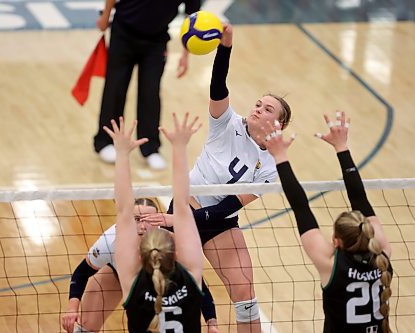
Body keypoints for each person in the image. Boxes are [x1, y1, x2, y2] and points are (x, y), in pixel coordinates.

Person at [141, 23, 292, 333]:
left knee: (245, 292)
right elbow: (218, 85)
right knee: (177, 291)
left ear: (278, 124)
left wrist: (179, 222)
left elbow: (226, 208)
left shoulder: (271, 164)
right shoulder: (227, 123)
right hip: (186, 206)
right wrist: (225, 47)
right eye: (258, 104)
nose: (258, 108)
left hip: (217, 220)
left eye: (267, 109)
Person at [263, 111, 393, 333]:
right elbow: (359, 199)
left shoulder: (331, 266)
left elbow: (300, 206)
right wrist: (342, 147)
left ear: (336, 241)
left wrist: (279, 156)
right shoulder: (383, 256)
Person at [103, 113, 204, 331]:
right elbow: (183, 208)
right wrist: (179, 147)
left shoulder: (133, 283)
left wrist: (122, 153)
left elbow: (123, 211)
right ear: (176, 254)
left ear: (140, 256)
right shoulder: (191, 276)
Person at [60, 202, 220, 332]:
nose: (143, 225)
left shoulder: (168, 243)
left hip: (158, 280)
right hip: (118, 275)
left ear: (158, 221)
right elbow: (81, 273)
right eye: (137, 219)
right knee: (86, 325)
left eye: (149, 219)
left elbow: (198, 285)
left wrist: (211, 322)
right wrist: (72, 308)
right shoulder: (111, 241)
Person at [94, 0, 201, 169]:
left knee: (150, 93)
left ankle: (150, 148)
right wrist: (105, 17)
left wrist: (185, 55)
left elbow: (192, 19)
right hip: (123, 33)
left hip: (156, 42)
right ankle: (105, 141)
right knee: (115, 88)